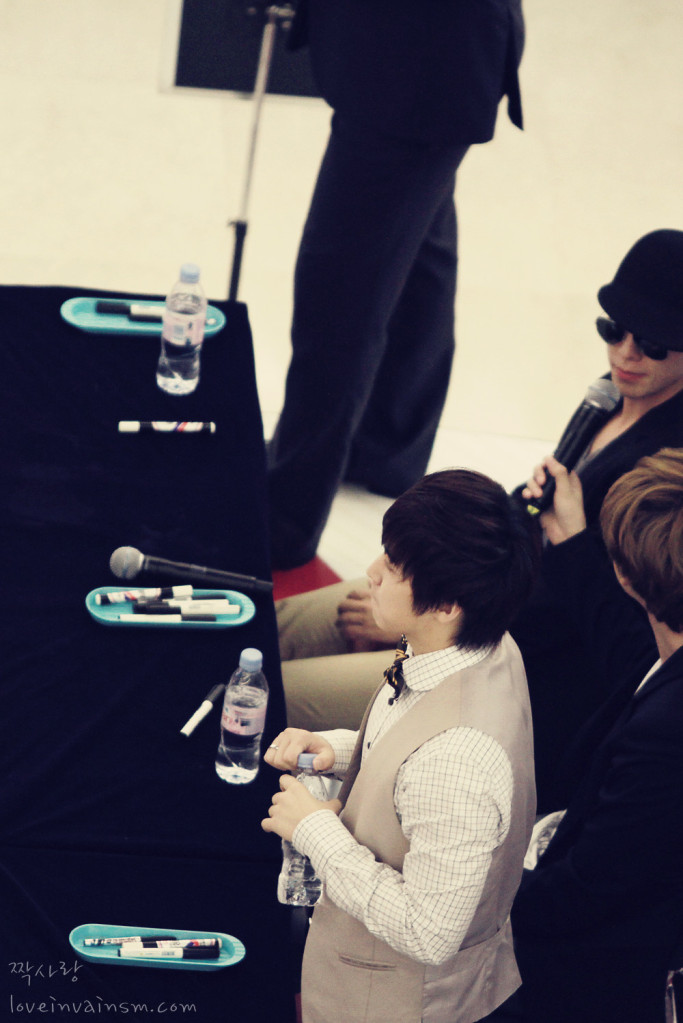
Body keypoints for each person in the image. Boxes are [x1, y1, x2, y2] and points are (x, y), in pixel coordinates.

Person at [275, 228, 683, 810]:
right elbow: (521, 518)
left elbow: (632, 646)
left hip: (491, 655)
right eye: (612, 329)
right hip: (456, 596)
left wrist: (415, 621)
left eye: (654, 343)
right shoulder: (611, 398)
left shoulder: (667, 470)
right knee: (274, 626)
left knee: (278, 696)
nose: (626, 353)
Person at [262, 469, 540, 1023]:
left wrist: (315, 831)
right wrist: (338, 750)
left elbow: (428, 931)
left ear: (446, 604)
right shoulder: (480, 644)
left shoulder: (458, 762)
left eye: (392, 566)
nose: (371, 571)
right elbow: (410, 751)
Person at [268, 0, 525, 569]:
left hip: (413, 66)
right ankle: (385, 444)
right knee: (416, 255)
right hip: (424, 59)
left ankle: (284, 518)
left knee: (338, 293)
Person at [491, 447, 683, 1023]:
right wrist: (574, 538)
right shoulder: (664, 655)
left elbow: (584, 892)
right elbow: (628, 643)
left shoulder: (665, 736)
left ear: (625, 575)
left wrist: (461, 894)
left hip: (588, 981)